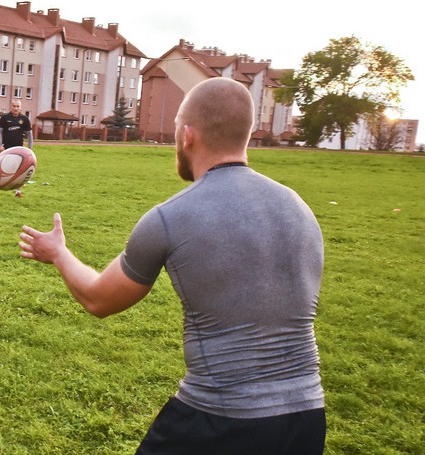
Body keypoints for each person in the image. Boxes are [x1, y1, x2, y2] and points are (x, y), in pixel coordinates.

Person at [18, 78, 326, 454]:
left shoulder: (171, 217)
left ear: (187, 135)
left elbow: (99, 299)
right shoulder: (300, 209)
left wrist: (58, 253)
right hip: (307, 417)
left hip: (219, 419)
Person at [0, 99, 33, 198]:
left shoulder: (25, 119)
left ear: (20, 107)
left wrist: (30, 149)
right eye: (14, 106)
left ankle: (18, 192)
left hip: (19, 150)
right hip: (6, 149)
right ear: (11, 107)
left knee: (20, 170)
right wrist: (0, 145)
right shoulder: (4, 118)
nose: (16, 108)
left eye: (17, 106)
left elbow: (30, 135)